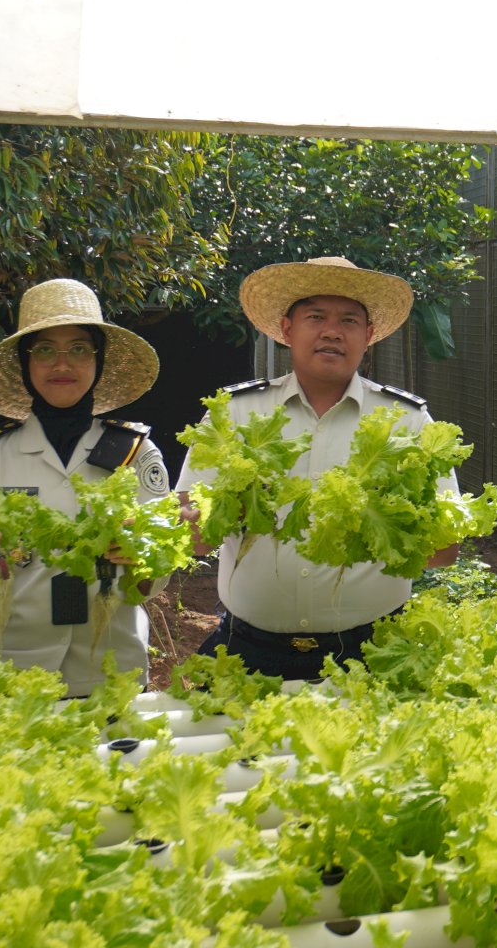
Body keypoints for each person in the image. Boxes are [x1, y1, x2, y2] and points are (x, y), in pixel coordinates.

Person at [176, 256, 459, 679]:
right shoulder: (234, 414)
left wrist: (377, 522)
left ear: (370, 334)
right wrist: (209, 517)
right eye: (316, 316)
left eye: (349, 320)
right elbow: (191, 537)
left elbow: (444, 550)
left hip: (372, 653)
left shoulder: (409, 422)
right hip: (247, 651)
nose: (332, 331)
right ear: (288, 330)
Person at [0, 277, 171, 697]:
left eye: (78, 349)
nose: (62, 364)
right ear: (25, 363)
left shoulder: (137, 452)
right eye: (45, 350)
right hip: (5, 674)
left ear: (99, 361)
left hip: (108, 671)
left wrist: (143, 558)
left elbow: (157, 571)